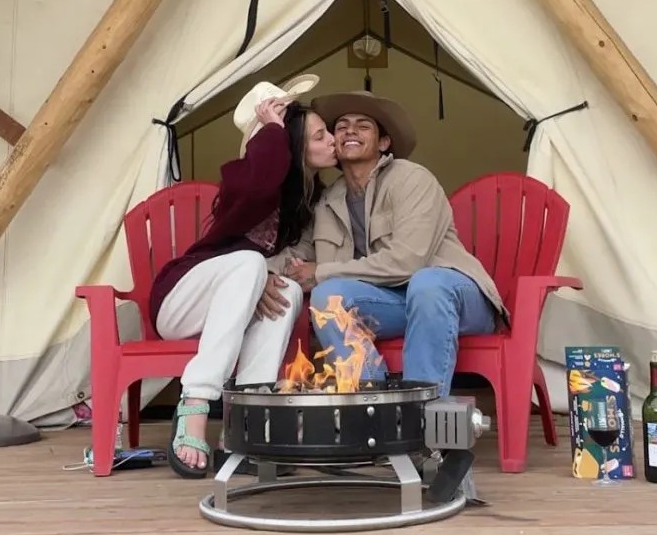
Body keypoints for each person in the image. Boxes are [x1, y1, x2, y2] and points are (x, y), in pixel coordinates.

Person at [149, 74, 336, 479]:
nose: (332, 140)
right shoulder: (246, 179)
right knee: (251, 263)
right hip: (180, 302)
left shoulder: (304, 199)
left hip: (235, 300)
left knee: (285, 287)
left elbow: (300, 258)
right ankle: (196, 404)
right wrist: (270, 129)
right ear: (289, 143)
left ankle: (248, 421)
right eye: (320, 136)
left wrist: (268, 274)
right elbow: (259, 184)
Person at [273, 91, 504, 399]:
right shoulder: (328, 200)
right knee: (327, 296)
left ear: (383, 143)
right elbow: (299, 256)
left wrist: (322, 272)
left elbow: (408, 263)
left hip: (457, 299)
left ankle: (423, 413)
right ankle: (373, 404)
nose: (349, 131)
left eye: (363, 125)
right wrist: (256, 274)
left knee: (427, 282)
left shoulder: (412, 179)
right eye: (341, 126)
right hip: (397, 305)